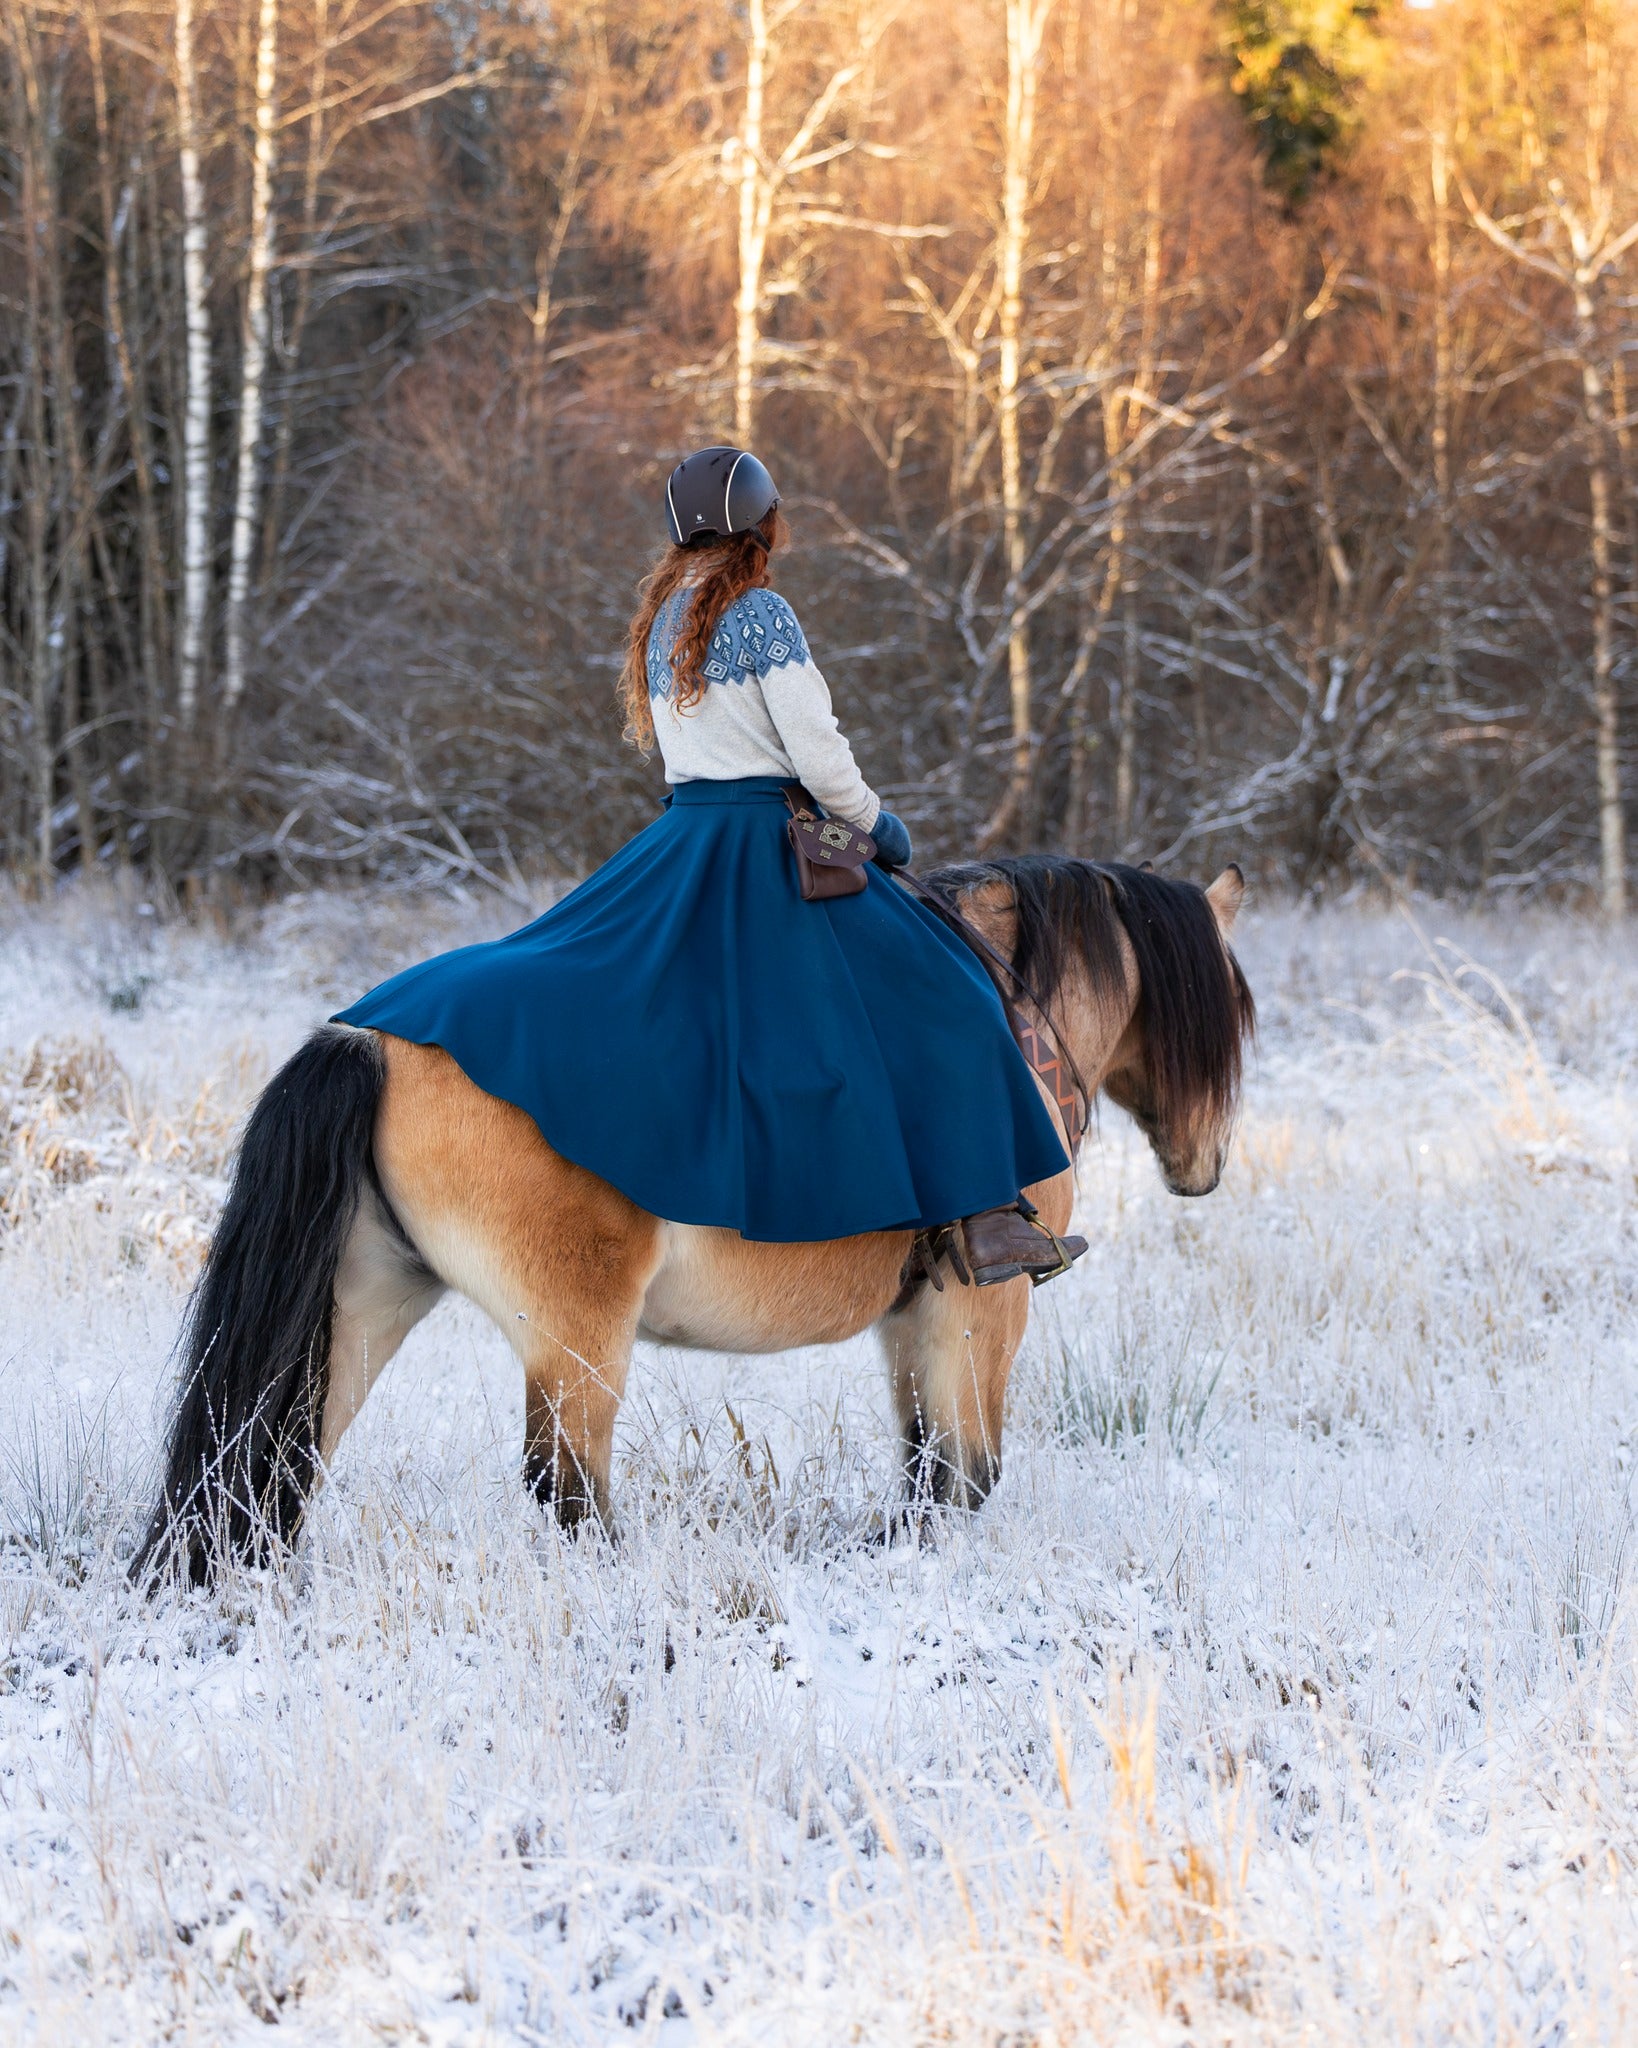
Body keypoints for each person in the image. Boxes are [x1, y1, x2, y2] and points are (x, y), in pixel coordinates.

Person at [334, 446, 1086, 1284]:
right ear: (765, 525)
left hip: (685, 841)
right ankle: (986, 1221)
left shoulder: (665, 616)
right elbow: (819, 755)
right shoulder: (762, 614)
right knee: (948, 986)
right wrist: (882, 828)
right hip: (770, 844)